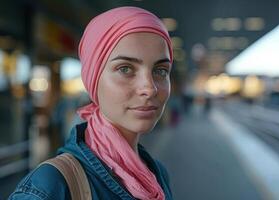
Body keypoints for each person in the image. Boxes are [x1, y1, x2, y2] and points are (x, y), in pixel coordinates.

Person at [9, 6, 173, 200]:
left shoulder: (157, 173)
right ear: (93, 78)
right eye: (126, 69)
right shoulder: (49, 188)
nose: (150, 88)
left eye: (161, 70)